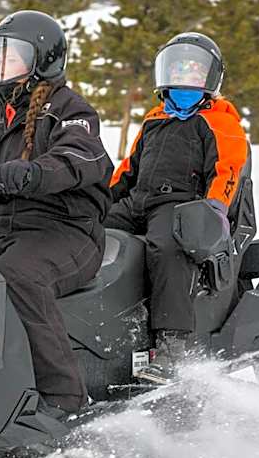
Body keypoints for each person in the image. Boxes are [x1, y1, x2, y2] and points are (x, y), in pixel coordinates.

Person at [0, 10, 113, 417]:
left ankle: (65, 399)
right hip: (7, 229)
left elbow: (80, 159)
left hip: (68, 231)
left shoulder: (70, 109)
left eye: (11, 56)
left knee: (19, 276)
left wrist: (26, 174)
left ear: (42, 59)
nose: (0, 65)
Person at [105, 32, 250, 375]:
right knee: (89, 235)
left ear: (210, 78)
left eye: (194, 72)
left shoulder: (219, 121)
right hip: (137, 201)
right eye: (179, 70)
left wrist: (215, 208)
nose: (185, 78)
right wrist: (100, 199)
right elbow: (129, 168)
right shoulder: (155, 119)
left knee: (167, 249)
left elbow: (228, 170)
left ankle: (173, 345)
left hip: (181, 205)